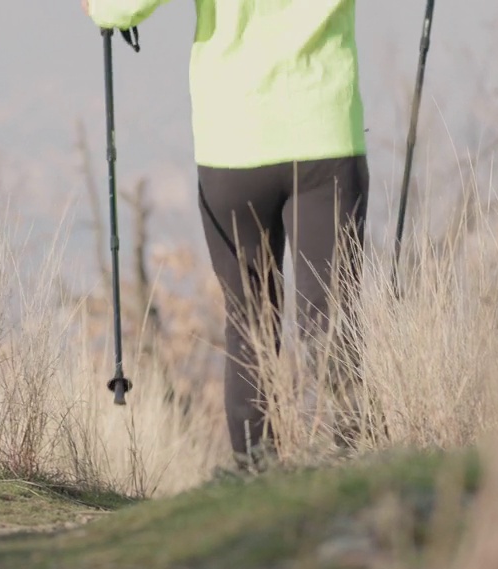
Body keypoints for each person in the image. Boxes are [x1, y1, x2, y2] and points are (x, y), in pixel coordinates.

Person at [82, 0, 370, 469]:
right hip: (325, 135)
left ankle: (256, 473)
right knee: (331, 319)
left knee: (250, 322)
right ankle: (348, 467)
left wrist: (105, 9)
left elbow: (124, 8)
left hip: (233, 144)